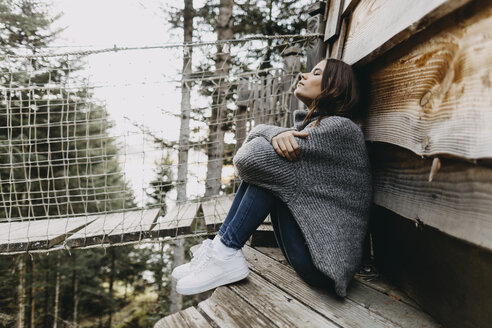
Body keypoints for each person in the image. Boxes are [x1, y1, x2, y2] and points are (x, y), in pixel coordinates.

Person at [172, 58, 373, 298]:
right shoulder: (319, 127)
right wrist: (275, 133)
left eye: (316, 73)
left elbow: (248, 161)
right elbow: (250, 161)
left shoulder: (339, 130)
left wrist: (270, 135)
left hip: (324, 266)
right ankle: (221, 248)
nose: (304, 75)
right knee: (271, 168)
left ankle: (225, 252)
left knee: (269, 170)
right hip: (311, 252)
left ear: (335, 86)